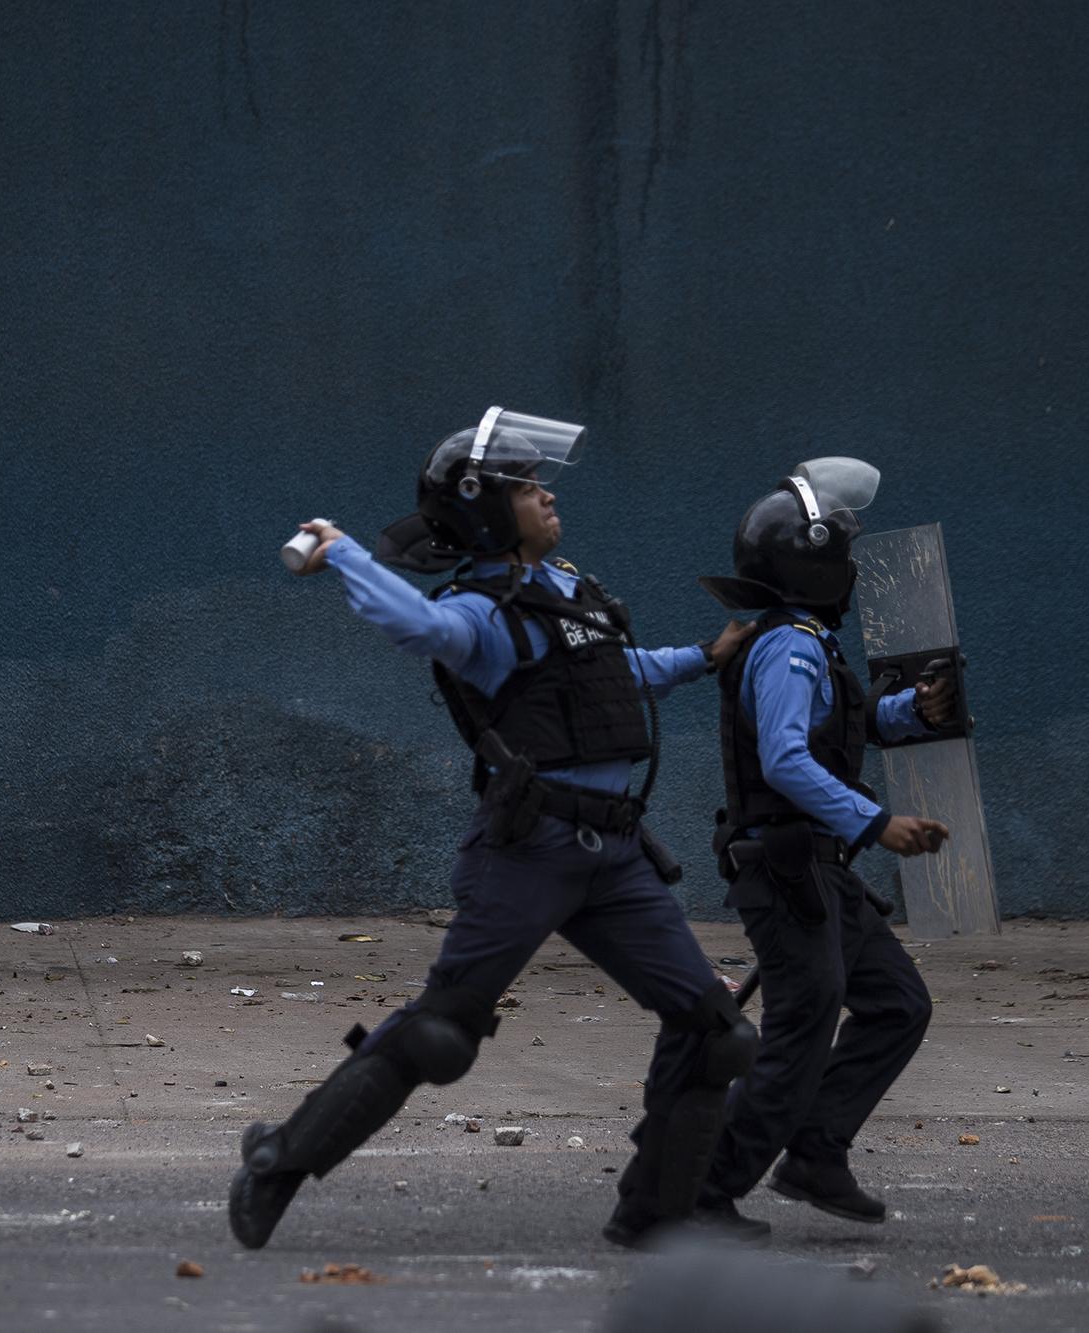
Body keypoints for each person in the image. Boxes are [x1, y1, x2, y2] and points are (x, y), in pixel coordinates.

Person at [229, 407, 759, 1250]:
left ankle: (654, 1218)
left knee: (718, 1033)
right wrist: (348, 553)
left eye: (541, 483)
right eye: (527, 487)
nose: (547, 496)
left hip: (616, 854)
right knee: (444, 1032)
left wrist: (709, 652)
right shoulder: (478, 613)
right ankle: (275, 1163)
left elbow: (624, 676)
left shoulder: (572, 596)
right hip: (531, 848)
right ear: (483, 508)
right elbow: (422, 630)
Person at [692, 457, 955, 1237]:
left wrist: (912, 708)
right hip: (787, 870)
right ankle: (704, 1186)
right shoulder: (790, 648)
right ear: (816, 566)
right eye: (843, 554)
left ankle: (814, 1151)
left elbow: (840, 726)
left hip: (818, 871)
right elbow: (785, 758)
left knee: (898, 1005)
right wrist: (876, 824)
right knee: (802, 1029)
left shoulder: (803, 643)